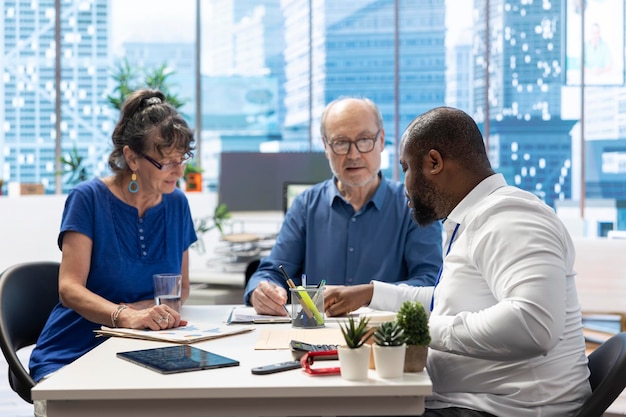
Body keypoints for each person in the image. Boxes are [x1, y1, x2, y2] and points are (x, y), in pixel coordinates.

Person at [324, 106, 591, 416]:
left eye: (407, 168)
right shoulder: (474, 219)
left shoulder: (511, 218)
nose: (404, 185)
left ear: (434, 162)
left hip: (508, 409)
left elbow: (533, 325)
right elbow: (447, 301)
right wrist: (371, 294)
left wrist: (415, 328)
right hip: (473, 403)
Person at [29, 89, 197, 384]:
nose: (178, 171)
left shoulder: (177, 203)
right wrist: (126, 315)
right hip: (75, 351)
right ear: (132, 157)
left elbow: (180, 289)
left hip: (143, 350)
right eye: (166, 162)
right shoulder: (88, 199)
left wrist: (152, 315)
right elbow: (69, 289)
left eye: (182, 159)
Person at [244, 97, 443, 316]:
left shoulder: (413, 206)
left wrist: (369, 294)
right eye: (341, 142)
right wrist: (262, 291)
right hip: (313, 336)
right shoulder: (305, 205)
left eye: (365, 140)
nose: (354, 154)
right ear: (326, 147)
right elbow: (272, 271)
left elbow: (429, 283)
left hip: (385, 339)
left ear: (381, 140)